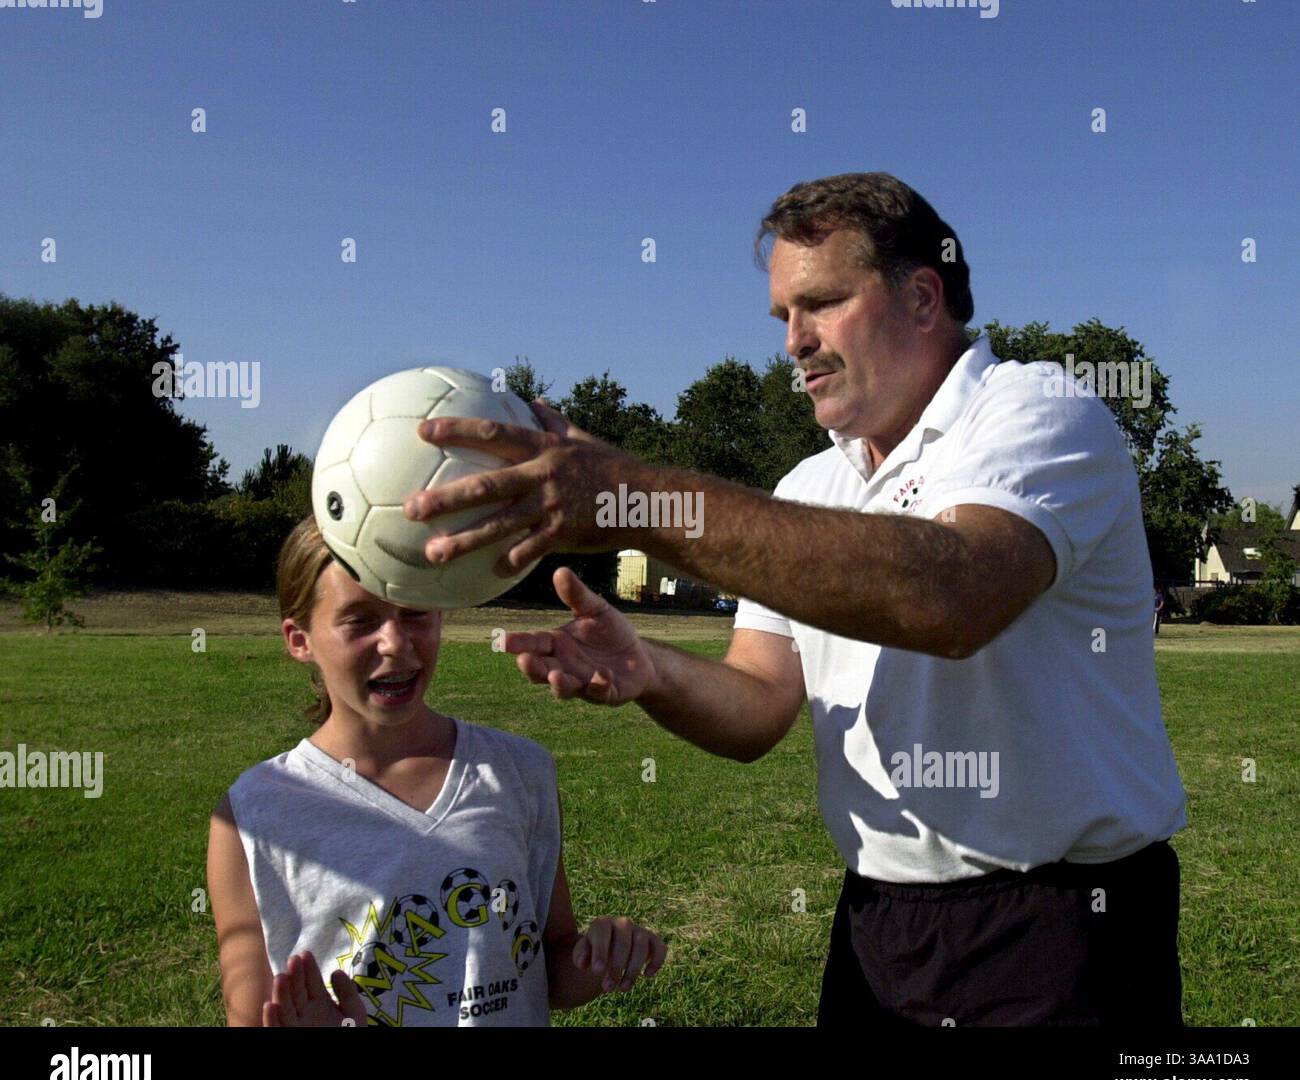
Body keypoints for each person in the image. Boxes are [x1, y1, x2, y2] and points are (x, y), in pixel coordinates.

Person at [399, 172, 1187, 1026]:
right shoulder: (810, 482)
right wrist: (650, 669)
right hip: (879, 926)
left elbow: (953, 592)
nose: (794, 341)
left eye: (819, 303)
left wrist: (642, 498)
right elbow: (758, 703)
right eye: (782, 315)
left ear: (923, 296)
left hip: (1063, 926)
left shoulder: (1037, 410)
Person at [206, 515, 665, 1026]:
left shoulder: (517, 771)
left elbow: (547, 967)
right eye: (360, 620)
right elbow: (249, 1015)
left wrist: (599, 959)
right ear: (300, 640)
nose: (396, 644)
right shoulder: (253, 814)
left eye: (415, 612)